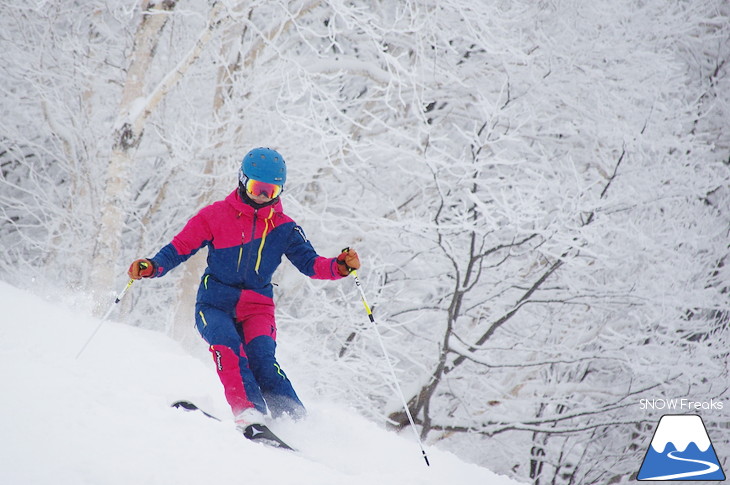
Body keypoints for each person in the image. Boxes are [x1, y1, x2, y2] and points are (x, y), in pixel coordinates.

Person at [128, 147, 360, 432]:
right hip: (215, 303)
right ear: (242, 180)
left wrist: (339, 266)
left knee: (263, 360)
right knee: (227, 347)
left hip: (257, 308)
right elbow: (180, 247)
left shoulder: (284, 229)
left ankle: (298, 426)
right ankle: (249, 412)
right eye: (256, 188)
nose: (262, 196)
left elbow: (311, 264)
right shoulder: (214, 216)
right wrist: (153, 266)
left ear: (280, 191)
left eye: (270, 190)